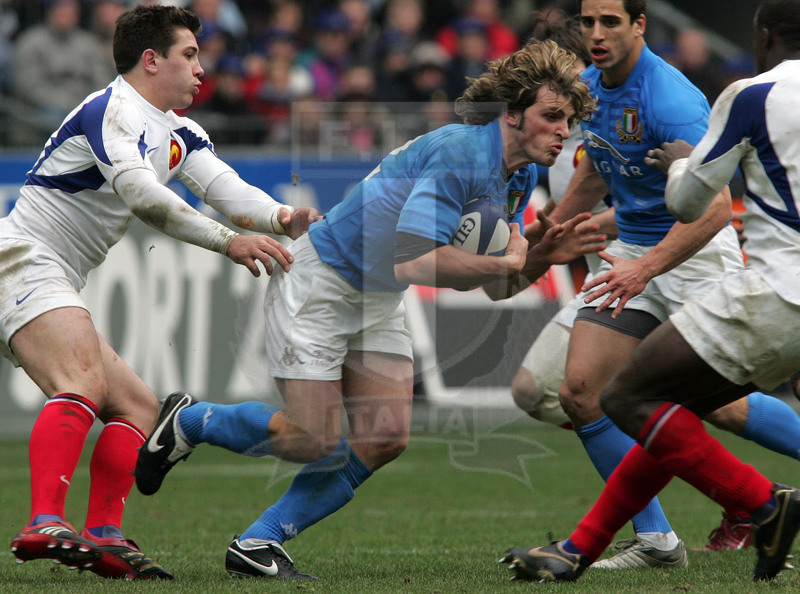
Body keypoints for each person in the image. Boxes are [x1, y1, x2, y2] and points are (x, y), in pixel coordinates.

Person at [134, 39, 604, 580]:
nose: (563, 131)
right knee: (312, 438)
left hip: (377, 297)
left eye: (568, 119)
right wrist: (510, 262)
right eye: (552, 116)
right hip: (322, 281)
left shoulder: (516, 176)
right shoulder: (461, 154)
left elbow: (498, 287)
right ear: (514, 113)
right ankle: (191, 420)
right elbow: (414, 261)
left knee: (385, 437)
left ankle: (258, 541)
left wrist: (542, 255)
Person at [3, 5, 317, 581]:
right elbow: (147, 200)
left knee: (139, 408)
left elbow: (228, 188)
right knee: (82, 383)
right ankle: (44, 519)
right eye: (189, 55)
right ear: (151, 60)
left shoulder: (176, 130)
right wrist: (230, 242)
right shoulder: (110, 113)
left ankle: (102, 535)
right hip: (19, 258)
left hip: (50, 273)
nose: (202, 68)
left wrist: (283, 216)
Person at [501, 0, 800, 582]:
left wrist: (644, 269)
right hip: (632, 255)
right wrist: (556, 228)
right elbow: (598, 166)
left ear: (640, 25)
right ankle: (656, 534)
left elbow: (711, 209)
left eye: (609, 22)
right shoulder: (592, 87)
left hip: (688, 256)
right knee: (583, 391)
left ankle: (755, 503)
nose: (595, 34)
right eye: (588, 22)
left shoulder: (674, 98)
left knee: (710, 406)